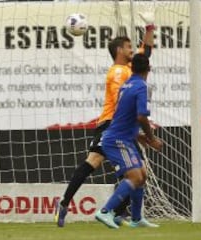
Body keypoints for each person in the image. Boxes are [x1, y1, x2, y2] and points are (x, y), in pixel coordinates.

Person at [54, 12, 155, 227]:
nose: (132, 50)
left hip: (119, 125)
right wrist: (135, 129)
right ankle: (68, 204)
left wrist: (149, 27)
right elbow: (122, 101)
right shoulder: (118, 72)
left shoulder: (129, 67)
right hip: (112, 124)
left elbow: (145, 52)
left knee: (136, 171)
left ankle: (118, 212)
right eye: (129, 47)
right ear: (120, 50)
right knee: (99, 163)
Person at [95, 53, 162, 229]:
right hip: (117, 140)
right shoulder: (141, 87)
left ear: (131, 68)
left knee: (142, 174)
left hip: (123, 137)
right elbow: (141, 116)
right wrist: (151, 138)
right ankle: (105, 212)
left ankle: (136, 219)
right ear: (149, 68)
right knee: (134, 176)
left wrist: (140, 137)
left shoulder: (126, 85)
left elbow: (125, 117)